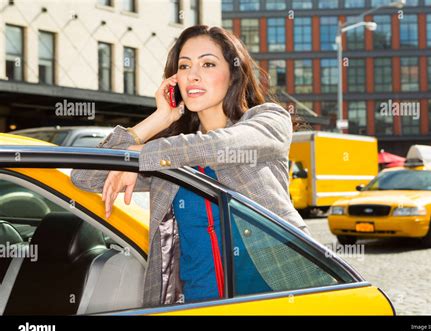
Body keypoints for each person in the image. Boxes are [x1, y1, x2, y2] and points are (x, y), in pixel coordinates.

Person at [71, 25, 310, 307]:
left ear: (234, 73)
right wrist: (158, 119)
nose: (193, 75)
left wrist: (140, 153)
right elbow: (84, 176)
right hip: (196, 305)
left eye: (208, 64)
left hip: (281, 298)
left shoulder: (268, 120)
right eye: (184, 66)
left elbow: (221, 146)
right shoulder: (168, 157)